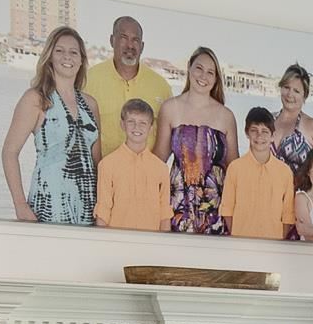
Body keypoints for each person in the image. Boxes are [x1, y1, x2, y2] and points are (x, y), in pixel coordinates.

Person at [1, 24, 97, 225]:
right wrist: (20, 204)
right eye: (59, 51)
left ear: (81, 60)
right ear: (49, 56)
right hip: (48, 201)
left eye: (73, 52)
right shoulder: (36, 99)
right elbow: (9, 153)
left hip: (88, 205)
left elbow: (97, 161)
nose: (67, 57)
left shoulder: (90, 104)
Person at [161, 46, 237, 235]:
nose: (204, 76)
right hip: (178, 209)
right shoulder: (171, 108)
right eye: (199, 68)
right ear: (189, 68)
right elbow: (157, 160)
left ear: (216, 78)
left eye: (210, 72)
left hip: (216, 211)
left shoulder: (226, 116)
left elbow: (235, 170)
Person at [82, 14, 173, 153]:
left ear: (142, 46)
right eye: (123, 38)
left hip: (146, 173)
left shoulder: (161, 87)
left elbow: (167, 139)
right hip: (100, 172)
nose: (130, 45)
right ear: (112, 40)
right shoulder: (88, 81)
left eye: (135, 40)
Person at [93, 95, 173, 232]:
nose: (137, 127)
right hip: (117, 240)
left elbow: (164, 212)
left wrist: (163, 246)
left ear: (151, 127)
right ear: (122, 125)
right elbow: (103, 209)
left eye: (143, 123)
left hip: (150, 242)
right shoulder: (107, 165)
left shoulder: (161, 168)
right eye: (131, 122)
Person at [220, 105, 297, 241]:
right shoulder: (235, 168)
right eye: (254, 130)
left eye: (265, 131)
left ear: (273, 135)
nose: (259, 136)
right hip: (240, 241)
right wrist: (237, 234)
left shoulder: (284, 172)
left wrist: (279, 239)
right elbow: (227, 209)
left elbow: (288, 214)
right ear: (247, 133)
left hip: (273, 243)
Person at [270, 62, 313, 185]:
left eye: (296, 91)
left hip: (298, 201)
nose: (290, 94)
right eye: (286, 87)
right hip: (265, 198)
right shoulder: (267, 121)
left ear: (305, 96)